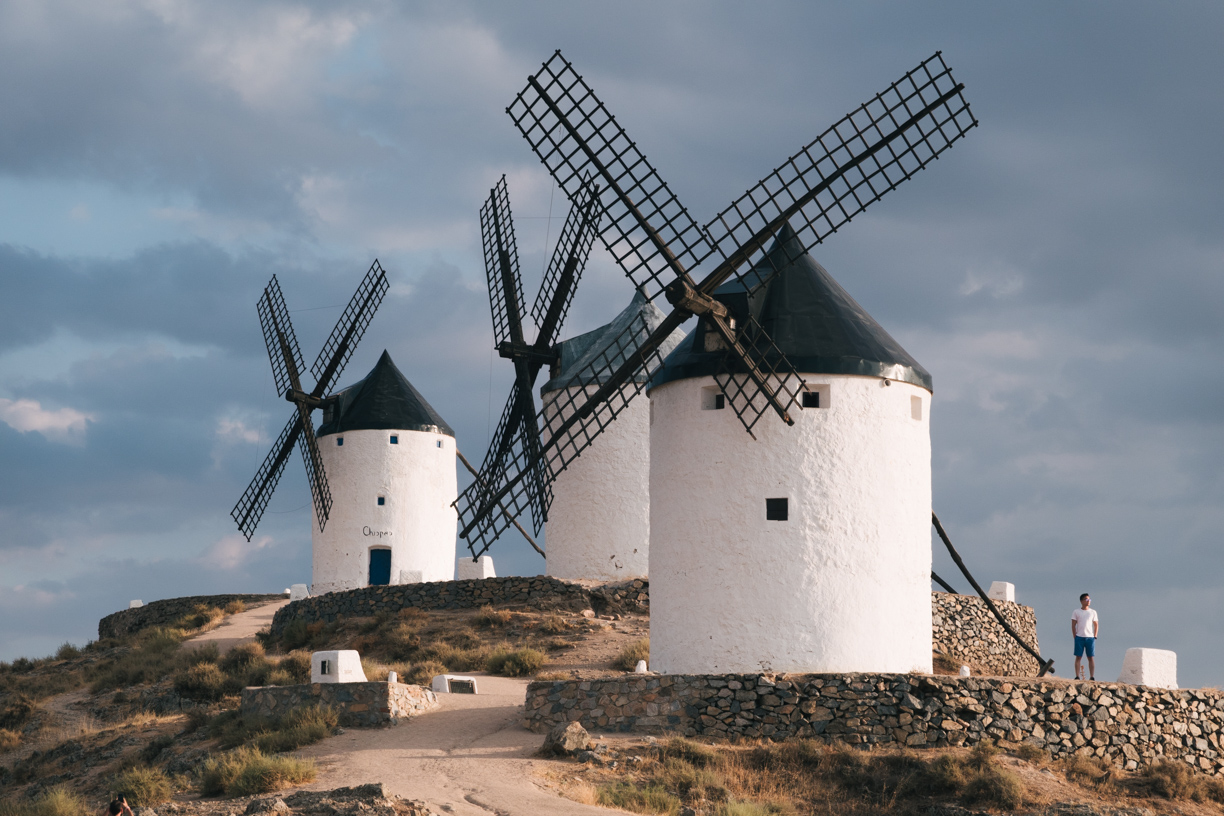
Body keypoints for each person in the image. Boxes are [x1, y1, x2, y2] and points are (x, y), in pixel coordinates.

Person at [1072, 592, 1099, 681]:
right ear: (1081, 601)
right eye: (1086, 599)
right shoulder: (1076, 612)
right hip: (1079, 637)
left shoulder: (1093, 612)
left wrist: (1095, 635)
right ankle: (1077, 676)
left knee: (1090, 657)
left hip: (1090, 638)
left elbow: (1096, 624)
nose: (1088, 601)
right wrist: (1075, 636)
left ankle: (1092, 676)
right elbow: (1073, 625)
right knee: (1078, 657)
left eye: (1089, 599)